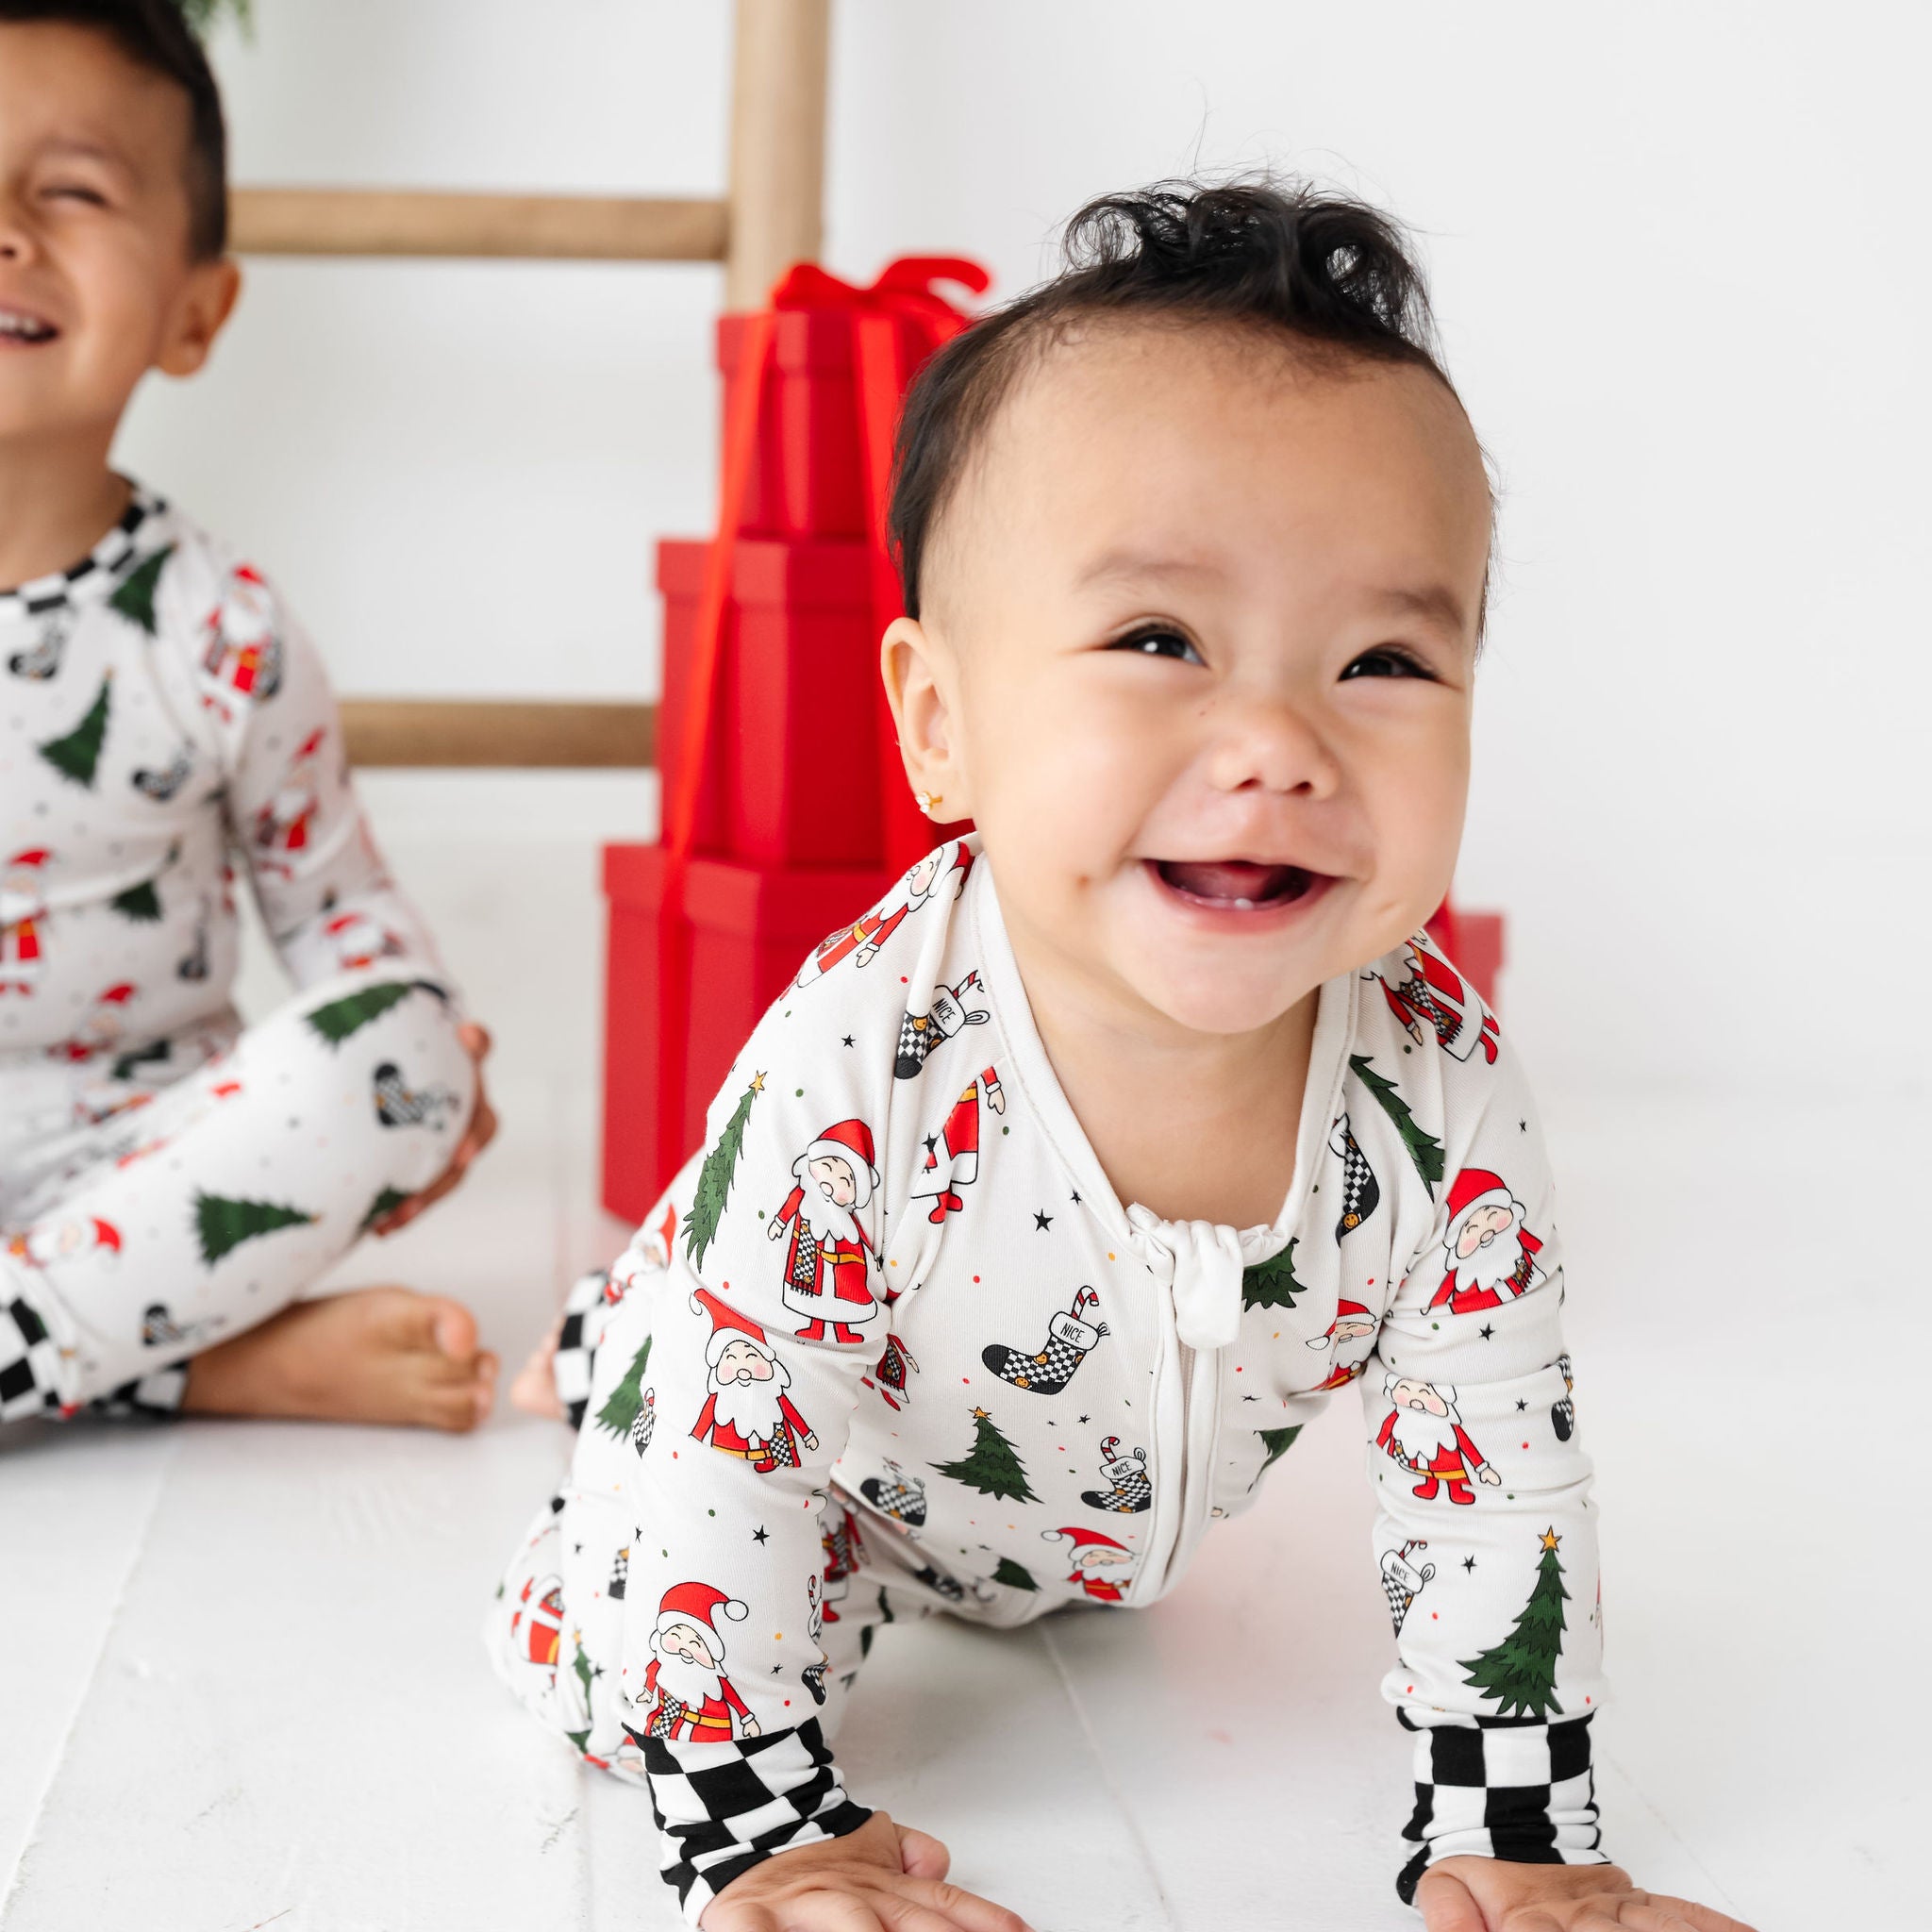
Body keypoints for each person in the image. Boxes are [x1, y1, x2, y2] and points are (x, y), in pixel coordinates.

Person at [493, 180, 1752, 1932]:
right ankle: (617, 1331)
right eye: (1161, 641)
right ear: (942, 725)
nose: (1277, 740)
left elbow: (1494, 1474)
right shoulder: (863, 1066)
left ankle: (634, 1320)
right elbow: (715, 1464)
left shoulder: (1440, 1101)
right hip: (826, 1449)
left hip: (1053, 1520)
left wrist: (1519, 1840)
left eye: (1383, 657)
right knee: (608, 1626)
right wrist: (761, 1834)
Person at [0, 0, 497, 1432]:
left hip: (144, 1177)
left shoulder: (219, 634)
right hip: (140, 1282)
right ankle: (191, 1364)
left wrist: (439, 1062)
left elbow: (339, 908)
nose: (12, 226)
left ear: (194, 312)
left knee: (399, 1051)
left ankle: (57, 1337)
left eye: (74, 191)